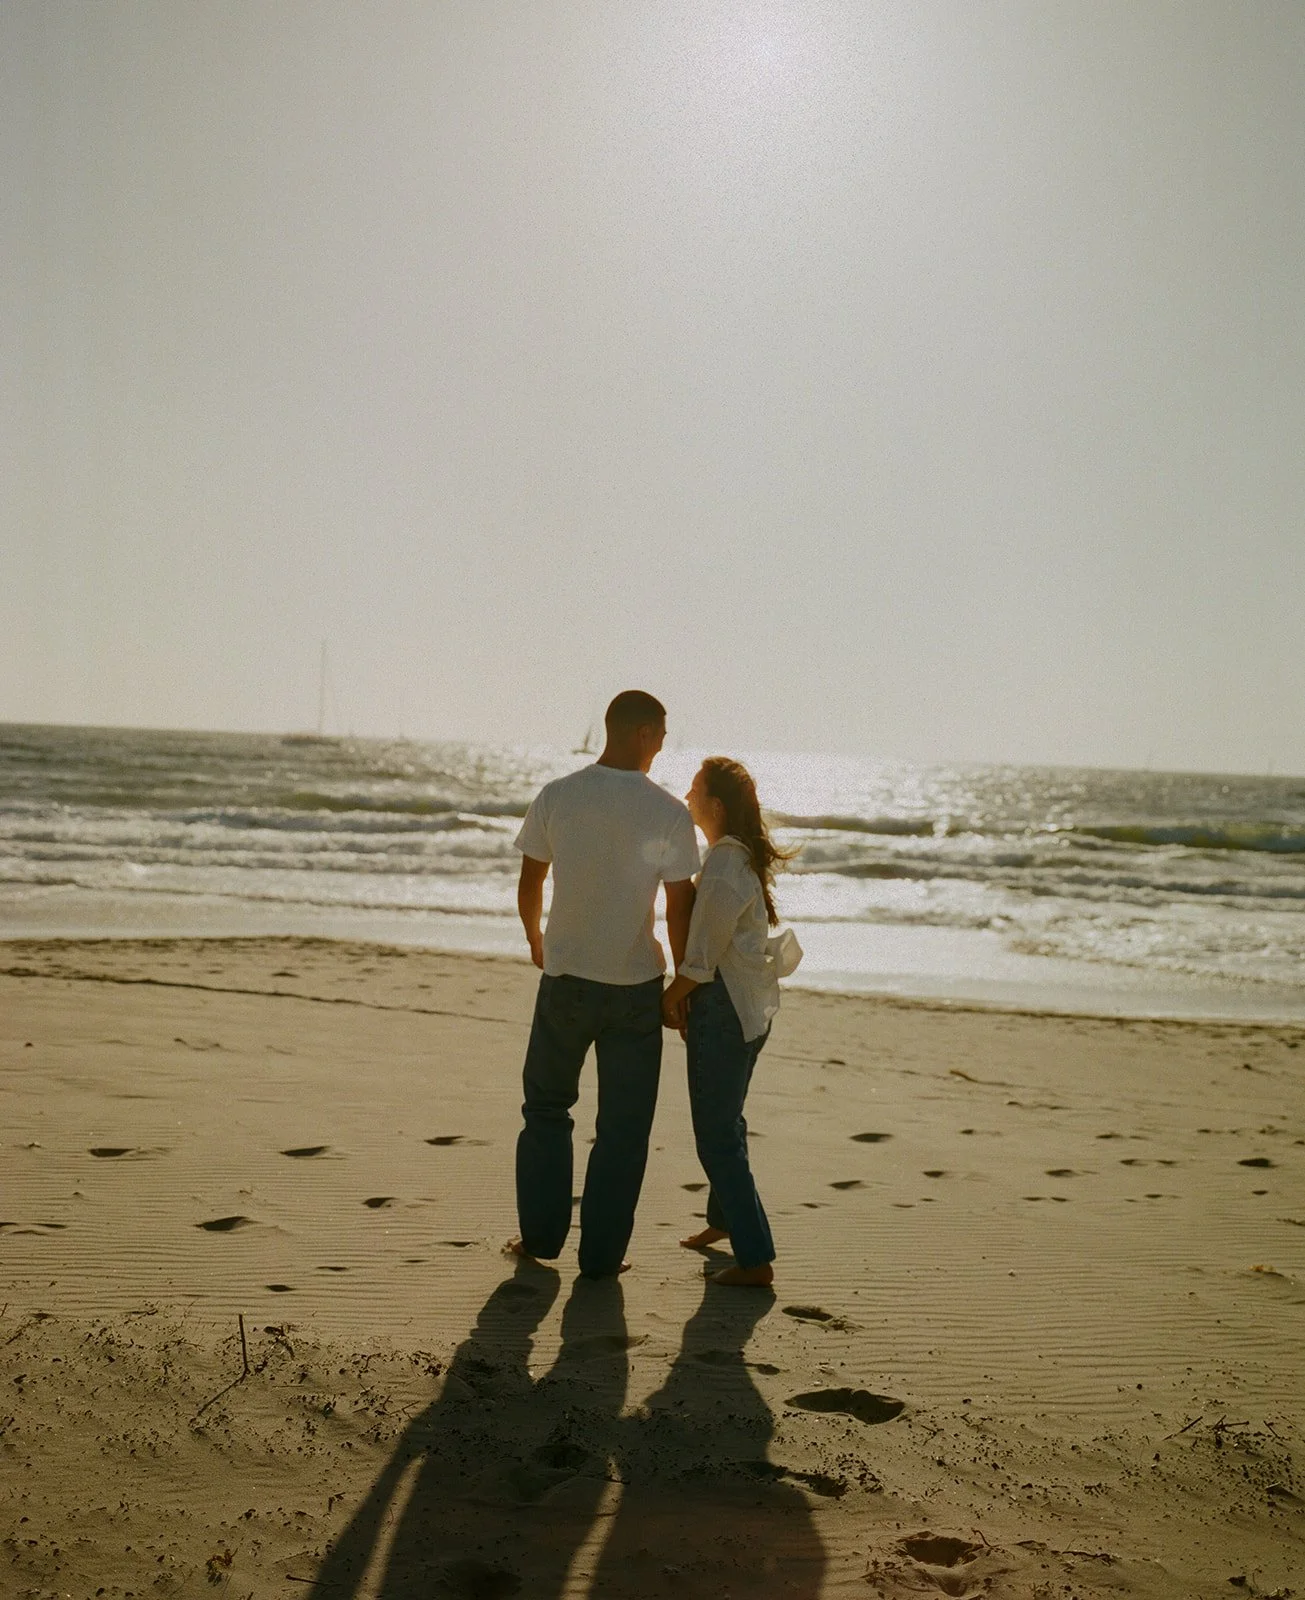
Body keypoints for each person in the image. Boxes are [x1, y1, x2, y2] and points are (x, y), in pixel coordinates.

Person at [508, 690, 700, 1279]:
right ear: (641, 732)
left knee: (546, 1108)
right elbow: (680, 905)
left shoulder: (558, 795)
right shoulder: (668, 810)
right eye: (662, 733)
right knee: (622, 1129)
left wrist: (536, 939)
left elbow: (530, 881)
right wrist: (684, 983)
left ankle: (540, 1240)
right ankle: (603, 1257)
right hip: (636, 986)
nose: (665, 743)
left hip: (566, 980)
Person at [660, 757, 795, 1287]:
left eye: (694, 790)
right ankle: (722, 1222)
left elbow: (704, 954)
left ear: (715, 805)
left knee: (715, 1136)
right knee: (728, 1122)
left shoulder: (723, 864)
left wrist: (671, 998)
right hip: (747, 1008)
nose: (687, 797)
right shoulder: (732, 858)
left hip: (727, 1011)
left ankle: (755, 1258)